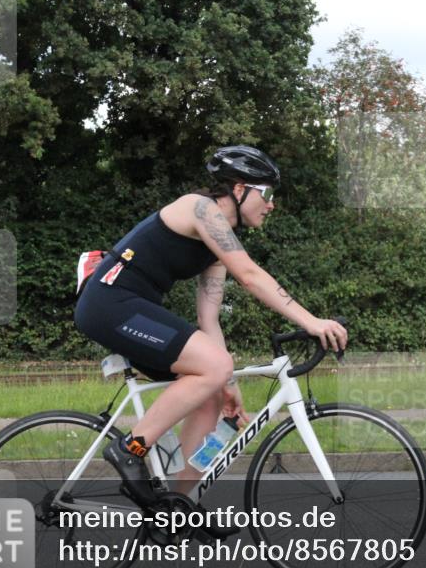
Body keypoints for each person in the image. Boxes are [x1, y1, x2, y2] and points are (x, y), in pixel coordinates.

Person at [74, 145, 347, 509]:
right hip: (109, 302)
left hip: (131, 309)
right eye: (266, 193)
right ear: (238, 189)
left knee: (212, 392)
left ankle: (180, 506)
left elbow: (208, 320)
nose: (271, 204)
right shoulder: (199, 208)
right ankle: (130, 449)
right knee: (215, 367)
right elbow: (249, 275)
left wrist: (228, 382)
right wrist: (311, 321)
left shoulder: (215, 244)